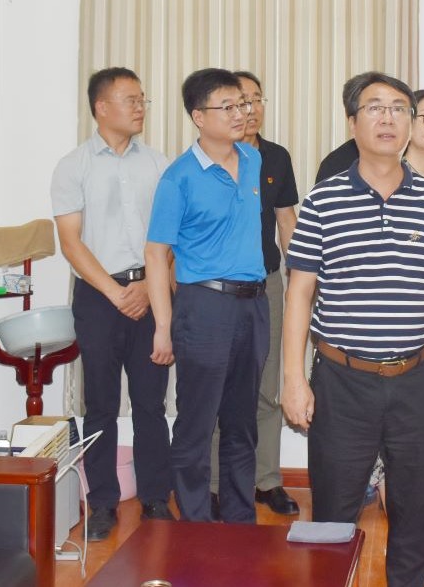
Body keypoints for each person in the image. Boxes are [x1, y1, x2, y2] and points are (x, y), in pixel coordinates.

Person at [282, 72, 424, 587]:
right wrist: (294, 380)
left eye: (397, 108)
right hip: (341, 380)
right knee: (333, 511)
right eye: (374, 107)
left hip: (417, 376)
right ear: (352, 123)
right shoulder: (323, 201)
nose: (387, 117)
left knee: (414, 508)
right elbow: (300, 292)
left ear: (409, 123)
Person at [50, 66, 174, 541]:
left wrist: (146, 288)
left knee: (150, 403)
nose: (140, 107)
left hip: (151, 290)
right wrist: (116, 291)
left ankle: (156, 497)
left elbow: (172, 237)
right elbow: (71, 242)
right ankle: (101, 502)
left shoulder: (159, 164)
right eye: (130, 99)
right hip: (99, 297)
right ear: (102, 107)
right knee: (100, 403)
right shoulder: (73, 166)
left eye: (143, 99)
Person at [145, 68, 270, 523]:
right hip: (204, 307)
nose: (241, 113)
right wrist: (163, 326)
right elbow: (156, 253)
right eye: (228, 106)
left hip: (254, 305)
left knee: (242, 424)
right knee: (197, 426)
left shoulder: (253, 160)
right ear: (199, 117)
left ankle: (239, 524)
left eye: (243, 104)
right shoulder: (177, 178)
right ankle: (195, 527)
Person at [208, 71, 301, 517]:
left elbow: (287, 222)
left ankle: (267, 480)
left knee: (267, 387)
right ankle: (212, 485)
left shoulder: (276, 157)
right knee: (215, 388)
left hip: (267, 283)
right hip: (216, 290)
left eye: (257, 99)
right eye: (241, 100)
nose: (250, 108)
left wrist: (300, 282)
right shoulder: (209, 159)